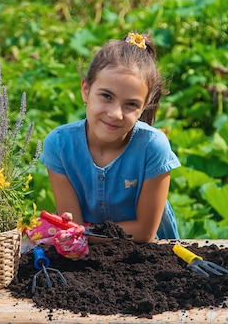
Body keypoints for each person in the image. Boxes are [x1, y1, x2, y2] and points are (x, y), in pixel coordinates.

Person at [39, 31, 181, 243]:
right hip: (87, 257)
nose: (116, 114)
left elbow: (144, 233)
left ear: (144, 106)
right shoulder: (59, 145)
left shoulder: (153, 147)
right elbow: (73, 231)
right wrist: (76, 233)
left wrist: (82, 232)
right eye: (106, 96)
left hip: (150, 256)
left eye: (131, 104)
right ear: (86, 90)